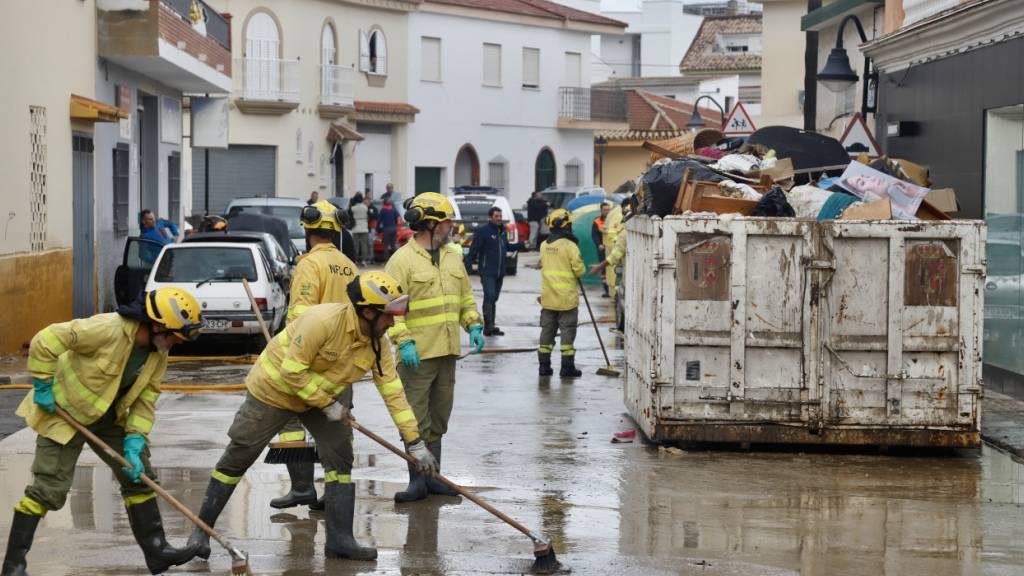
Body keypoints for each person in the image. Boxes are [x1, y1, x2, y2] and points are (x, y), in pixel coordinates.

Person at [186, 273, 438, 563]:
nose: (392, 324)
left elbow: (393, 393)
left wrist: (414, 442)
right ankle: (200, 532)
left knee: (341, 458)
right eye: (387, 317)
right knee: (237, 457)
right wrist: (328, 404)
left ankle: (340, 540)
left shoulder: (377, 343)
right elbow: (291, 372)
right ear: (368, 312)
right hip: (274, 392)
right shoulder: (322, 322)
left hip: (321, 401)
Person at [2, 288, 205, 575]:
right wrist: (42, 382)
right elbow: (48, 338)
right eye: (176, 336)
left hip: (108, 419)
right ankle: (13, 565)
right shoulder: (107, 328)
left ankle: (157, 551)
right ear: (158, 326)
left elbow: (147, 399)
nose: (177, 344)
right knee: (48, 490)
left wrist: (135, 439)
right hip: (63, 412)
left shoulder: (158, 355)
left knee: (140, 475)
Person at [385, 192, 484, 502]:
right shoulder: (401, 261)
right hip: (417, 355)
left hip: (447, 352)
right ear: (428, 224)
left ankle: (433, 477)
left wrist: (474, 324)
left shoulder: (453, 256)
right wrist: (404, 342)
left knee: (439, 417)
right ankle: (417, 480)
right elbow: (390, 310)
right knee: (415, 419)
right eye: (445, 221)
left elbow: (464, 298)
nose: (451, 226)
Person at [268, 200, 360, 513]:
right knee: (335, 429)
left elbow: (301, 316)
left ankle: (302, 487)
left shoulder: (309, 263)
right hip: (342, 363)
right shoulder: (349, 265)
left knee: (292, 421)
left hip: (310, 360)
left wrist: (287, 351)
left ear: (308, 229)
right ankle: (335, 494)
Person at [538, 208, 585, 378]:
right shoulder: (570, 246)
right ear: (565, 225)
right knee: (567, 334)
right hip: (567, 300)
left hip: (548, 298)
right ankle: (567, 368)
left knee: (547, 332)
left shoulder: (544, 246)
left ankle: (544, 367)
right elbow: (579, 271)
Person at [468, 206, 524, 336]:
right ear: (490, 217)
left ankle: (491, 325)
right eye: (496, 216)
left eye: (500, 216)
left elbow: (507, 247)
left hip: (499, 272)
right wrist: (468, 266)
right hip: (487, 271)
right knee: (490, 295)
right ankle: (488, 326)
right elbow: (474, 249)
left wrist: (521, 245)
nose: (499, 219)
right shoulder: (483, 232)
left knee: (494, 298)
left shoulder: (502, 231)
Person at [591, 203, 611, 297]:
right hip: (602, 249)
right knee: (603, 269)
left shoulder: (613, 220)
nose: (607, 211)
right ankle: (606, 290)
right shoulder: (597, 221)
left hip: (611, 248)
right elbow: (594, 235)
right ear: (601, 211)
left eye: (608, 209)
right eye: (605, 210)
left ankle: (612, 289)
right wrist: (599, 244)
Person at [349, 194, 371, 265]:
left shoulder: (353, 208)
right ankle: (364, 260)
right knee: (364, 245)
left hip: (355, 228)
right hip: (364, 227)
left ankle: (355, 260)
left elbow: (350, 216)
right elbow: (368, 217)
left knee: (356, 245)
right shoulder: (365, 207)